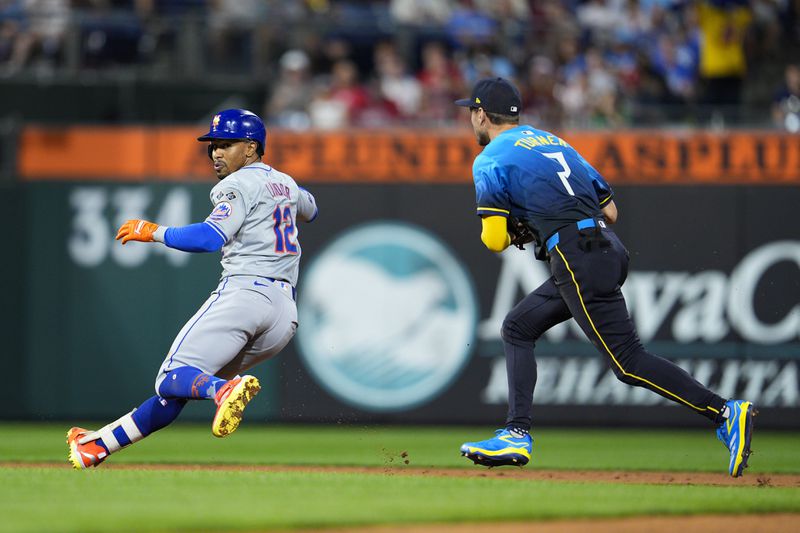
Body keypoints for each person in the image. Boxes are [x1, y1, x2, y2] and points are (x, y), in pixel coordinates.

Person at [454, 78, 756, 477]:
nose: (470, 121)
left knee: (628, 362)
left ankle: (724, 412)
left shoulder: (490, 158)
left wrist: (520, 226)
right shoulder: (553, 141)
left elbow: (493, 240)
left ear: (480, 114)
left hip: (576, 257)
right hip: (606, 249)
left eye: (470, 113)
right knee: (518, 326)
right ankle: (515, 432)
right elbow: (611, 212)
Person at [67, 109, 318, 469]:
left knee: (172, 376)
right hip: (283, 317)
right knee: (179, 387)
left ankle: (222, 390)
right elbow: (313, 209)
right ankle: (98, 446)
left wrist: (153, 231)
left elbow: (208, 238)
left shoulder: (236, 184)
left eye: (226, 145)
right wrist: (284, 191)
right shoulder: (287, 184)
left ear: (250, 148)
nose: (216, 153)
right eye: (213, 146)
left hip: (246, 295)